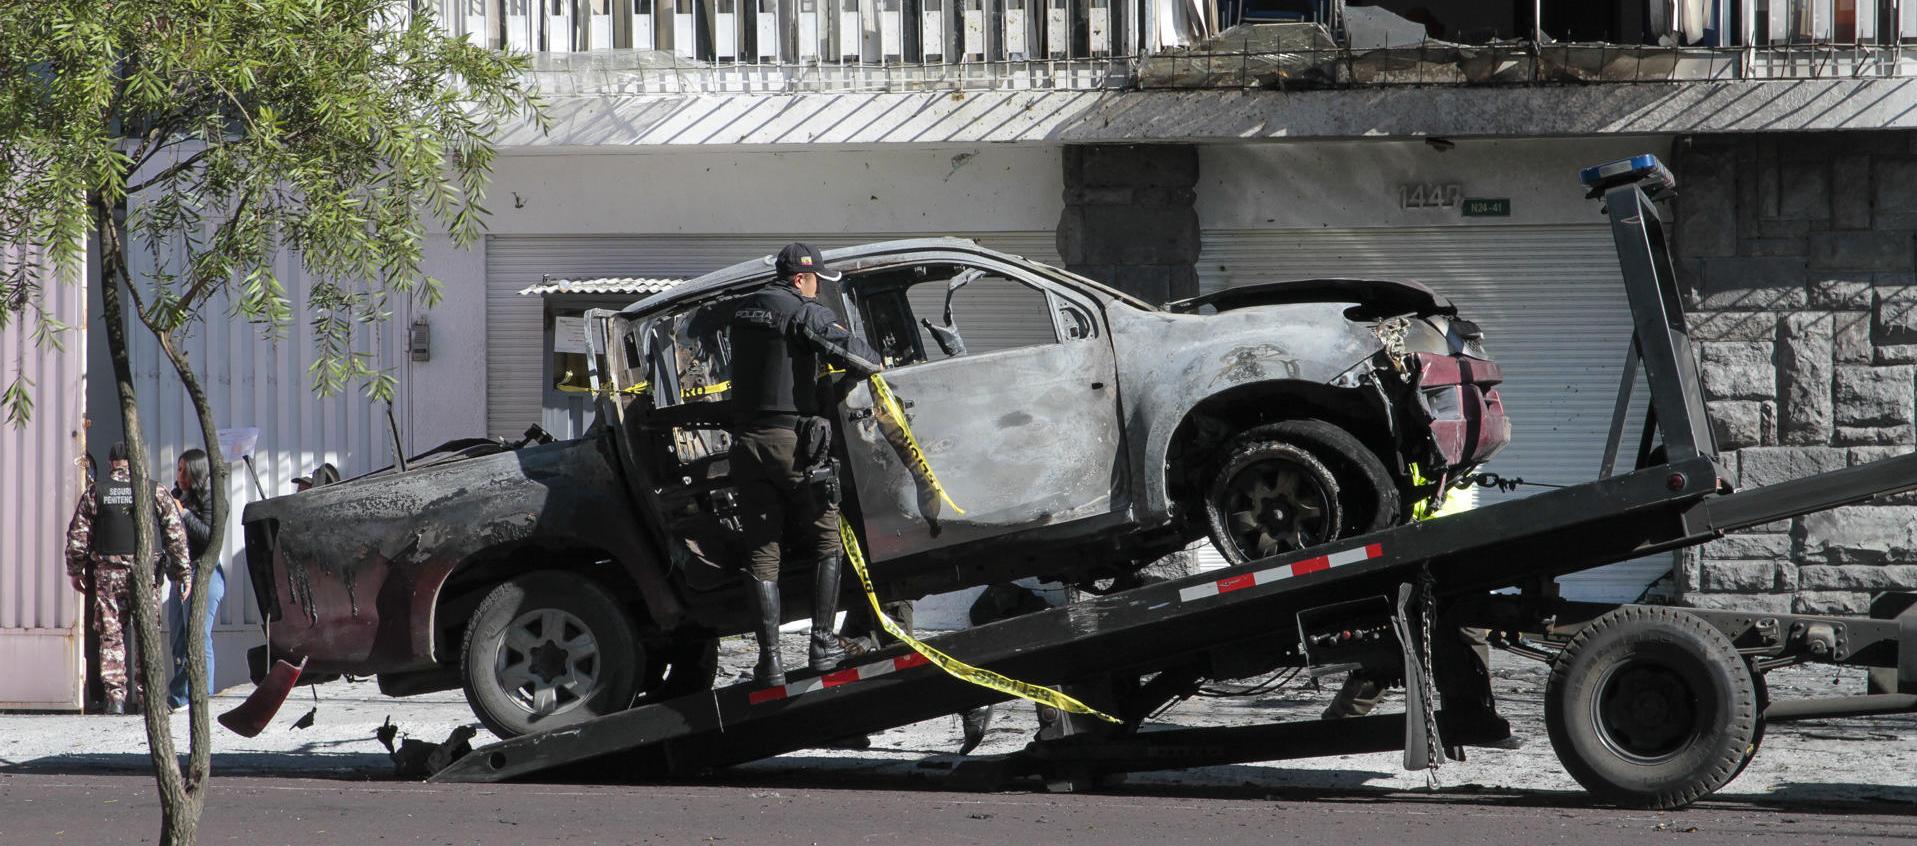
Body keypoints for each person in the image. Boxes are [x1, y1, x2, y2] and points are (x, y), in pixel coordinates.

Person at [727, 242, 884, 686]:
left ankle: (770, 662)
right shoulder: (801, 311)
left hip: (746, 445)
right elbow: (862, 359)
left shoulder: (744, 310)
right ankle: (821, 645)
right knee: (826, 542)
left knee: (762, 552)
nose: (817, 290)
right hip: (790, 445)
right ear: (801, 278)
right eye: (816, 282)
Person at [65, 441, 192, 714]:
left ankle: (116, 700)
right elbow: (175, 534)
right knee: (146, 635)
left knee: (111, 637)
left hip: (108, 576)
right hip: (146, 576)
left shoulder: (96, 492)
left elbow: (78, 537)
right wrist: (182, 573)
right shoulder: (153, 490)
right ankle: (148, 698)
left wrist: (75, 571)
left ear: (111, 463)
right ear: (135, 461)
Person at [165, 448, 225, 713]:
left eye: (183, 469)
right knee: (178, 637)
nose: (178, 475)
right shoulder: (179, 497)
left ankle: (202, 695)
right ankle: (180, 696)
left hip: (204, 573)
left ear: (195, 472)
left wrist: (184, 514)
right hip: (181, 574)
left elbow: (208, 536)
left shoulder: (212, 500)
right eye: (177, 469)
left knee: (198, 637)